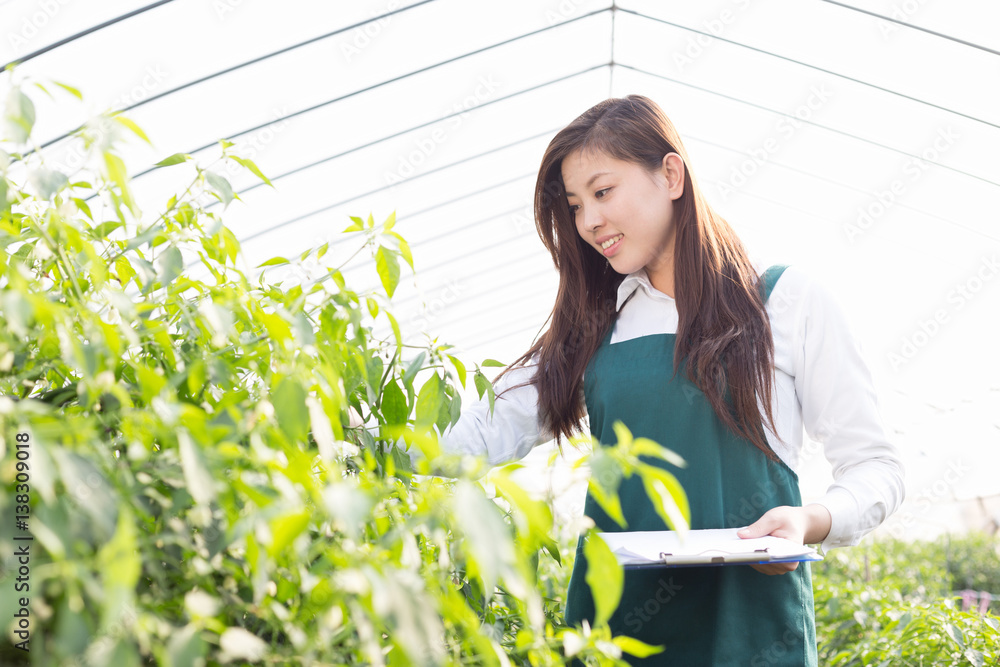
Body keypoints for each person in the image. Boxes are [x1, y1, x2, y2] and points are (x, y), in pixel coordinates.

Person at [408, 94, 905, 665]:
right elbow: (482, 429)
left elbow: (876, 467)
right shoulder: (592, 327)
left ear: (671, 175)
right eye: (574, 206)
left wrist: (809, 521)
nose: (589, 221)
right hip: (615, 634)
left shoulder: (785, 301)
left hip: (751, 631)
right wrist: (345, 450)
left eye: (602, 192)